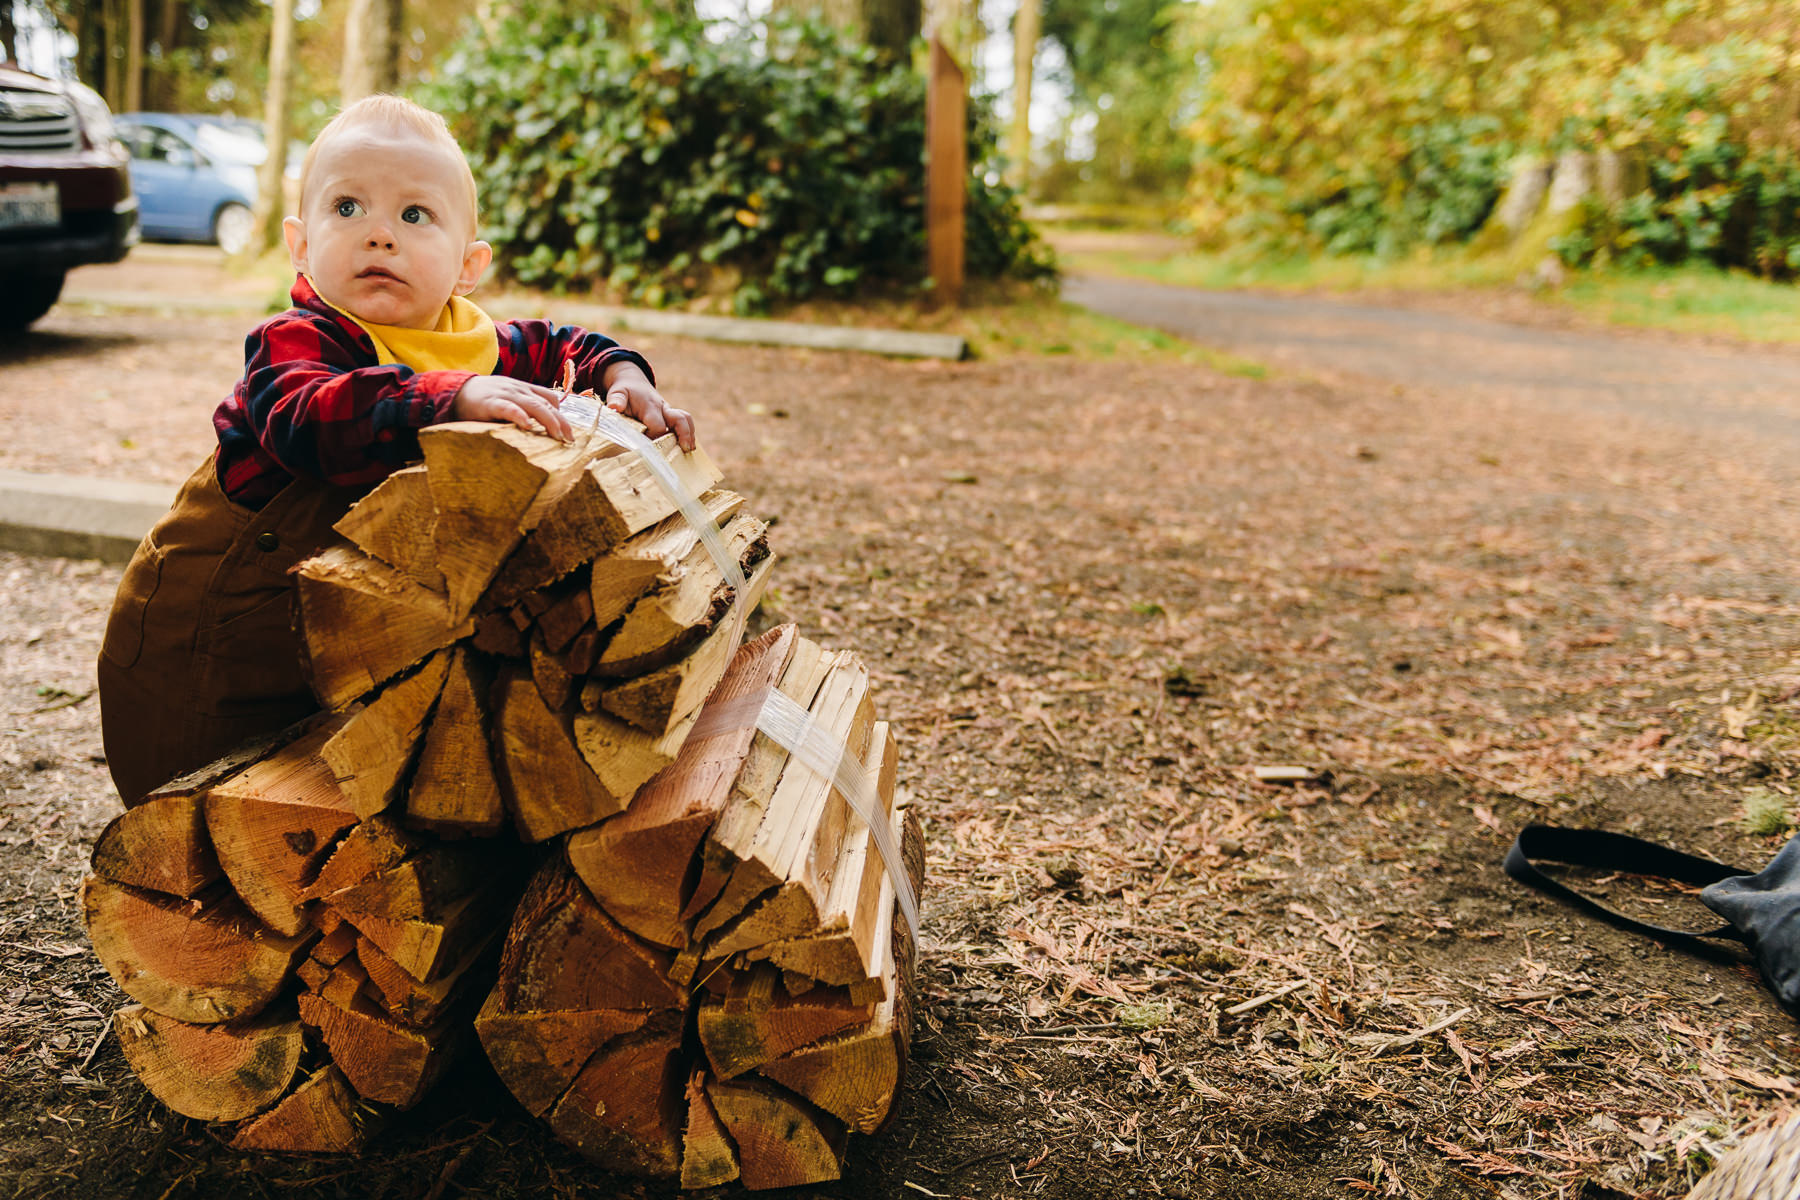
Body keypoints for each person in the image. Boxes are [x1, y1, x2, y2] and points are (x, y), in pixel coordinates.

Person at [97, 94, 694, 805]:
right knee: (193, 792)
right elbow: (312, 417)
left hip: (327, 630)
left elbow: (571, 346)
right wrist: (452, 395)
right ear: (300, 244)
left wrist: (623, 376)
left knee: (336, 781)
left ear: (468, 265)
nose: (379, 235)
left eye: (415, 216)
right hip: (206, 636)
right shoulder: (297, 341)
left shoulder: (473, 338)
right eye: (347, 208)